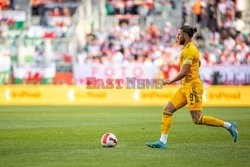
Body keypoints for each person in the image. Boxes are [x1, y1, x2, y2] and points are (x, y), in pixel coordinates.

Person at [146, 25, 238, 149]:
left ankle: (229, 126)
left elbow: (184, 71)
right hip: (185, 87)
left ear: (185, 35)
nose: (177, 37)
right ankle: (162, 142)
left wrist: (170, 81)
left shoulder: (190, 50)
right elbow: (197, 64)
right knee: (167, 110)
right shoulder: (187, 50)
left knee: (197, 119)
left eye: (179, 35)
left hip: (193, 87)